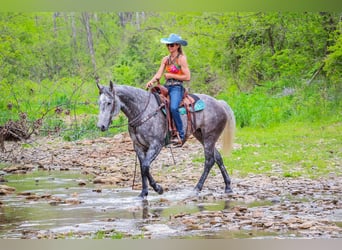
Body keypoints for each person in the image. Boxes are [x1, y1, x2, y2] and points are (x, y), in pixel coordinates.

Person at [146, 33, 191, 146]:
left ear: (177, 46)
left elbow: (187, 77)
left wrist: (172, 76)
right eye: (168, 45)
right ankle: (163, 132)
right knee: (155, 105)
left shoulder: (181, 59)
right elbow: (159, 73)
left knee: (173, 107)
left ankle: (181, 134)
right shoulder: (165, 59)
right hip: (166, 87)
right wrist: (151, 81)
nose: (169, 47)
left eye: (171, 45)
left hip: (177, 87)